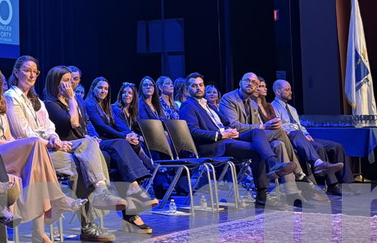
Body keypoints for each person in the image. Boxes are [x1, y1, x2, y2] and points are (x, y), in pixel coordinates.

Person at [0, 61, 84, 243]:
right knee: (35, 144)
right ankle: (57, 200)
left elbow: (9, 136)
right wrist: (10, 144)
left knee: (37, 166)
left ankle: (40, 231)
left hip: (5, 152)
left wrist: (14, 144)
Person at [4, 56, 130, 243]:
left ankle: (102, 192)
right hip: (32, 154)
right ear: (16, 72)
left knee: (89, 144)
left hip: (50, 147)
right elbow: (23, 133)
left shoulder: (35, 100)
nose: (31, 75)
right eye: (27, 71)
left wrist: (54, 137)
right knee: (83, 165)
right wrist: (52, 143)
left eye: (35, 72)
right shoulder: (12, 97)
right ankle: (87, 226)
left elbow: (49, 126)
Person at [43, 69, 156, 236]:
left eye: (72, 80)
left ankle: (132, 200)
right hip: (71, 145)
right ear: (55, 82)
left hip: (86, 142)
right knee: (113, 152)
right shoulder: (52, 103)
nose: (70, 84)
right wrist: (72, 99)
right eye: (65, 80)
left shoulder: (80, 102)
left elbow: (86, 125)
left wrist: (96, 136)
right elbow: (74, 124)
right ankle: (125, 207)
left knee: (121, 153)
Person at [178, 73, 297, 208]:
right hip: (213, 145)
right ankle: (262, 195)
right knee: (257, 150)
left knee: (257, 131)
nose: (199, 88)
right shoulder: (188, 106)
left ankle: (272, 162)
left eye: (200, 85)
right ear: (187, 89)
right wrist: (220, 135)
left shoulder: (209, 105)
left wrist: (230, 130)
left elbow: (226, 122)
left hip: (227, 138)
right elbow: (193, 132)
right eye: (194, 86)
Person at [270, 80, 351, 196]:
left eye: (290, 89)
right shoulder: (272, 107)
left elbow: (299, 125)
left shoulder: (292, 109)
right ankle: (332, 185)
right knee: (318, 147)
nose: (290, 92)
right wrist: (297, 133)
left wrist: (306, 135)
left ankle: (347, 184)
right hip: (292, 139)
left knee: (337, 146)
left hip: (303, 137)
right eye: (287, 90)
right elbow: (279, 128)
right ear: (278, 92)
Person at [86, 78, 155, 179]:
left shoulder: (105, 105)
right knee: (122, 142)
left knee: (133, 143)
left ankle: (142, 175)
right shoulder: (90, 104)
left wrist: (130, 135)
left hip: (107, 137)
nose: (103, 91)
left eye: (106, 89)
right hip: (99, 138)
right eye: (100, 88)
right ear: (92, 88)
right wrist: (124, 136)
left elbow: (117, 124)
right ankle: (141, 174)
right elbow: (102, 126)